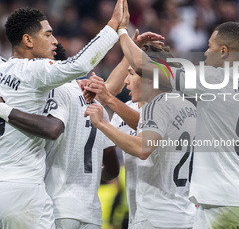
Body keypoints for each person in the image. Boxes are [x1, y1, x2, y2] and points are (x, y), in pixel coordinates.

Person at [0, 0, 126, 229]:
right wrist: (113, 27)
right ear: (28, 40)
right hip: (23, 191)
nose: (54, 40)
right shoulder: (35, 70)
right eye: (47, 34)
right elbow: (78, 65)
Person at [121, 21, 239, 228]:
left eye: (210, 47)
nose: (205, 53)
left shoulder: (213, 79)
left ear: (223, 51)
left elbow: (143, 67)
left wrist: (122, 32)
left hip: (220, 201)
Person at [84, 43, 197, 229]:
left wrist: (104, 115)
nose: (127, 81)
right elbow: (142, 125)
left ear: (151, 77)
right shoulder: (185, 106)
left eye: (132, 73)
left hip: (156, 216)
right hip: (181, 216)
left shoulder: (160, 106)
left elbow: (142, 145)